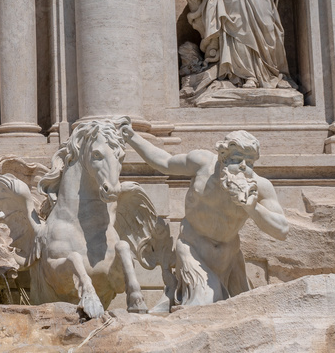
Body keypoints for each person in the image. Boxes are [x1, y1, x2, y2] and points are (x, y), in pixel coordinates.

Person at [124, 125, 289, 306]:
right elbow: (164, 162)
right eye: (237, 159)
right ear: (222, 156)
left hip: (229, 257)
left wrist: (252, 208)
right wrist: (132, 137)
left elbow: (281, 230)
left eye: (249, 163)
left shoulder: (260, 186)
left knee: (240, 307)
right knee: (206, 301)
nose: (243, 167)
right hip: (193, 249)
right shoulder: (201, 163)